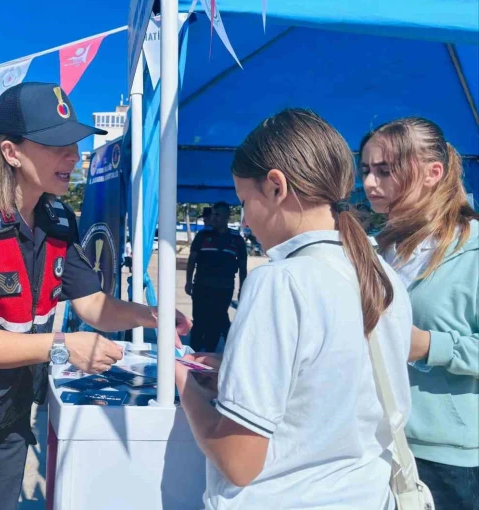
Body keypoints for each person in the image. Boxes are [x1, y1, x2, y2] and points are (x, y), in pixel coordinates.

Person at [0, 82, 190, 510]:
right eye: (57, 144)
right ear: (11, 152)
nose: (74, 156)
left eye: (76, 144)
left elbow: (92, 304)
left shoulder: (57, 217)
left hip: (10, 411)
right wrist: (63, 345)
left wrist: (151, 315)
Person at [176, 109, 413, 509]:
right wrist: (236, 373)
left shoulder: (280, 282)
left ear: (275, 187)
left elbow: (238, 461)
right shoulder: (382, 276)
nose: (245, 221)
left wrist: (181, 380)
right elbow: (335, 388)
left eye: (243, 202)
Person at [361, 116, 479, 510]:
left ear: (433, 173)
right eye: (366, 170)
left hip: (447, 456)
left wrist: (429, 346)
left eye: (385, 170)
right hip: (376, 441)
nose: (369, 184)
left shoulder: (474, 251)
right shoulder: (379, 250)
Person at [185, 201, 247, 352]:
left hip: (224, 288)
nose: (214, 218)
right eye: (213, 214)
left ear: (227, 217)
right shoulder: (202, 236)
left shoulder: (236, 239)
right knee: (199, 321)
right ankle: (194, 354)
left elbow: (242, 267)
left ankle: (209, 356)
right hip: (202, 286)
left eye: (218, 215)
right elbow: (192, 260)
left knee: (216, 321)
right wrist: (188, 281)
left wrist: (242, 288)